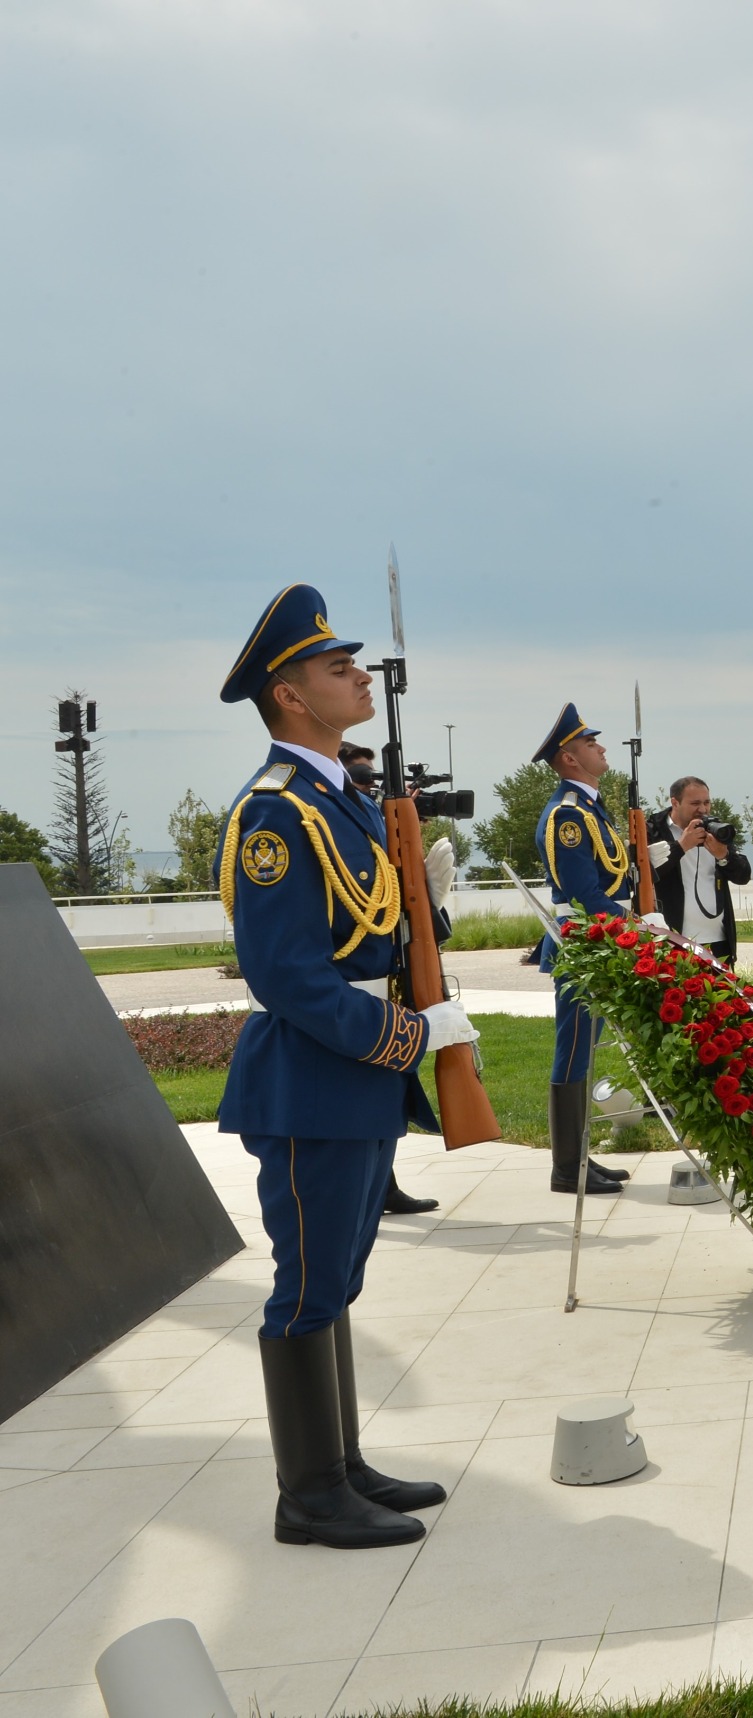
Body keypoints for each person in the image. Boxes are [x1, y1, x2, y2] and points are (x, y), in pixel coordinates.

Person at [217, 583, 474, 1549]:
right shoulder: (278, 813)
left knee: (341, 1277)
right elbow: (285, 975)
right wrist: (405, 1037)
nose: (360, 677)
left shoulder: (341, 796)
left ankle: (342, 1461)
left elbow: (381, 930)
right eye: (338, 668)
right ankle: (308, 1495)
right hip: (312, 1080)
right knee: (307, 1285)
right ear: (289, 696)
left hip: (355, 1078)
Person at [534, 704, 648, 1194]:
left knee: (585, 1050)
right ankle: (566, 1168)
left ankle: (580, 1158)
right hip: (584, 944)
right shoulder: (568, 815)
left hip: (600, 942)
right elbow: (583, 895)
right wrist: (637, 926)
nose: (601, 748)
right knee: (574, 1050)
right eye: (590, 743)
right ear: (569, 758)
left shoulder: (589, 808)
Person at [337, 741, 440, 1218]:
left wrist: (424, 895)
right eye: (362, 779)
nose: (369, 788)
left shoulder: (368, 820)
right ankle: (372, 1188)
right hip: (353, 989)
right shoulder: (338, 824)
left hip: (386, 978)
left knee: (388, 1088)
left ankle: (384, 1185)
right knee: (360, 1094)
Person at [648, 775, 753, 964]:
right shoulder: (653, 829)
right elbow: (646, 874)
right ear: (675, 802)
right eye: (695, 803)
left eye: (706, 803)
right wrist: (681, 846)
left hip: (718, 941)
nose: (703, 809)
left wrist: (723, 856)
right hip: (673, 939)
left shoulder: (715, 829)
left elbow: (743, 876)